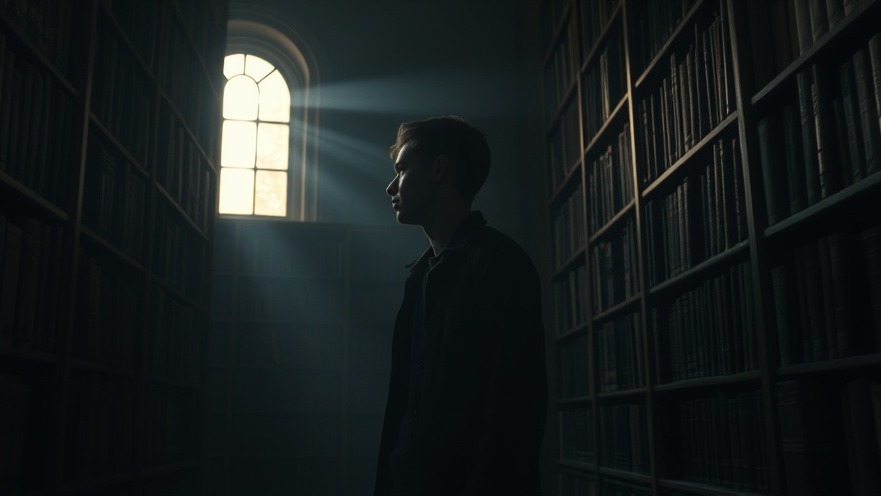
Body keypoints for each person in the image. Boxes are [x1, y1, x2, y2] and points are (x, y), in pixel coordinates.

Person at [374, 115, 548, 496]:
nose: (390, 186)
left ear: (438, 169)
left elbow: (513, 410)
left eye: (401, 169)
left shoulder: (500, 264)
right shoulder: (418, 278)